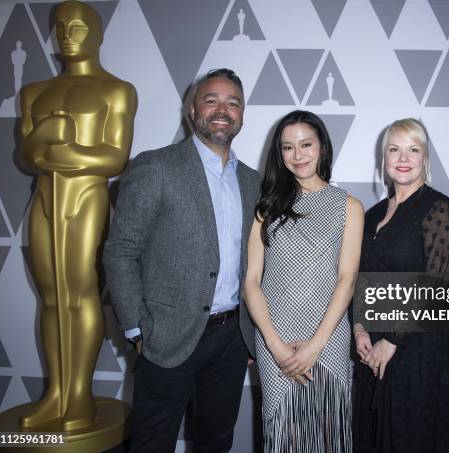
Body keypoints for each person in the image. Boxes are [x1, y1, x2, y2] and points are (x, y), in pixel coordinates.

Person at [103, 68, 260, 452]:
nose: (223, 110)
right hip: (166, 335)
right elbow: (121, 250)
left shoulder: (254, 181)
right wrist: (137, 329)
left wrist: (254, 335)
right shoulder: (155, 166)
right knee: (151, 443)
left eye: (233, 103)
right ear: (192, 110)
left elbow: (258, 264)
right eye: (211, 100)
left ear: (241, 114)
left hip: (232, 339)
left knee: (215, 442)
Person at [18, 0, 137, 431]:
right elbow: (29, 156)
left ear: (98, 34)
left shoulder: (116, 90)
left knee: (81, 293)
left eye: (80, 27)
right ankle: (56, 393)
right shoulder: (34, 92)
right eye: (61, 26)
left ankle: (80, 396)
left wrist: (58, 145)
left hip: (88, 199)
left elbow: (114, 158)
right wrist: (50, 140)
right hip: (45, 199)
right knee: (50, 298)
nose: (68, 34)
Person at [243, 110, 363, 452]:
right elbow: (252, 281)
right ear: (279, 154)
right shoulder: (265, 208)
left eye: (306, 144)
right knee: (286, 437)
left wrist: (315, 345)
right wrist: (274, 344)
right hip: (274, 337)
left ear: (322, 146)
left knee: (329, 433)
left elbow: (347, 279)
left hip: (328, 337)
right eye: (288, 147)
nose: (298, 155)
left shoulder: (349, 206)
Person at [353, 118, 449, 452]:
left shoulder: (437, 208)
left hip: (416, 352)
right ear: (383, 158)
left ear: (425, 158)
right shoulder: (373, 214)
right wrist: (358, 329)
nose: (403, 157)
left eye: (413, 149)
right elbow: (360, 281)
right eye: (394, 149)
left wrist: (393, 341)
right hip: (370, 351)